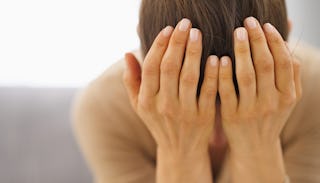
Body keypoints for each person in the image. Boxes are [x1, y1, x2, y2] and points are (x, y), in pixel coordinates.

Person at [72, 0, 320, 182]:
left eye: (248, 101)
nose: (216, 138)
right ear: (143, 49)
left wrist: (257, 147)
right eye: (187, 100)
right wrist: (180, 152)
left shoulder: (315, 93)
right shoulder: (104, 109)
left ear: (285, 45)